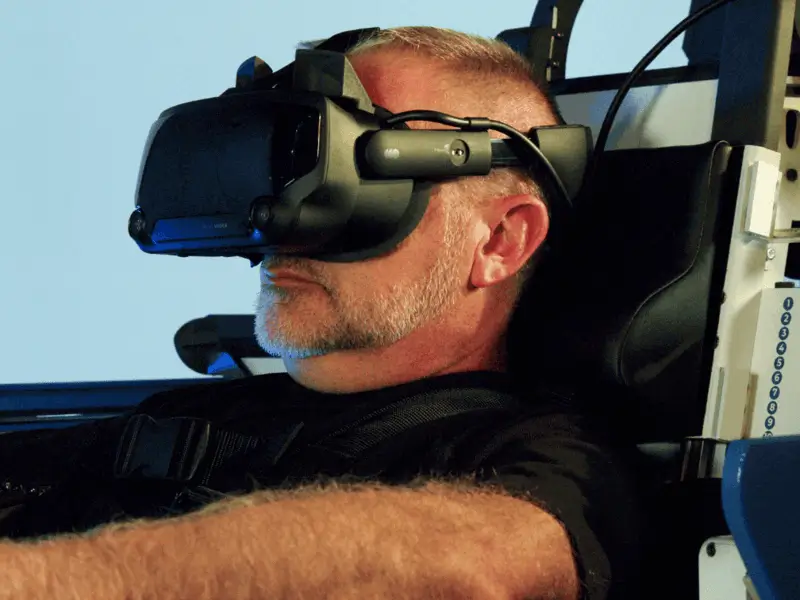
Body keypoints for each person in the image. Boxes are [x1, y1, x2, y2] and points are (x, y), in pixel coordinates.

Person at [0, 27, 643, 600]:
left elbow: (472, 566)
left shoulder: (543, 454)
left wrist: (51, 583)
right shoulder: (179, 420)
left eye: (351, 190)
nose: (290, 231)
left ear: (501, 242)